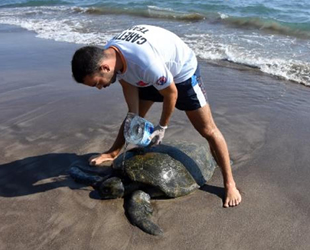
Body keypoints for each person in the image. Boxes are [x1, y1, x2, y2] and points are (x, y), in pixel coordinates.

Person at [71, 24, 242, 207]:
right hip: (150, 75)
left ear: (104, 68)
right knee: (132, 119)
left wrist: (162, 127)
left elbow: (171, 93)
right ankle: (113, 152)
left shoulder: (145, 62)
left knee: (208, 130)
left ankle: (229, 183)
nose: (99, 88)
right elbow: (129, 90)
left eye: (97, 83)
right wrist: (134, 117)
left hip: (181, 74)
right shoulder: (111, 57)